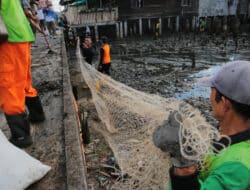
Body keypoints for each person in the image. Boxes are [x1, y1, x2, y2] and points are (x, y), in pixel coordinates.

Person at [153, 61, 250, 189]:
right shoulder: (221, 134)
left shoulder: (239, 166)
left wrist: (184, 164)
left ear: (224, 103)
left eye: (212, 91)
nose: (209, 97)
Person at [0, 0, 45, 148]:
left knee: (10, 86)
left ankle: (21, 136)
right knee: (23, 81)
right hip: (21, 34)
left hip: (8, 38)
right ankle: (37, 114)